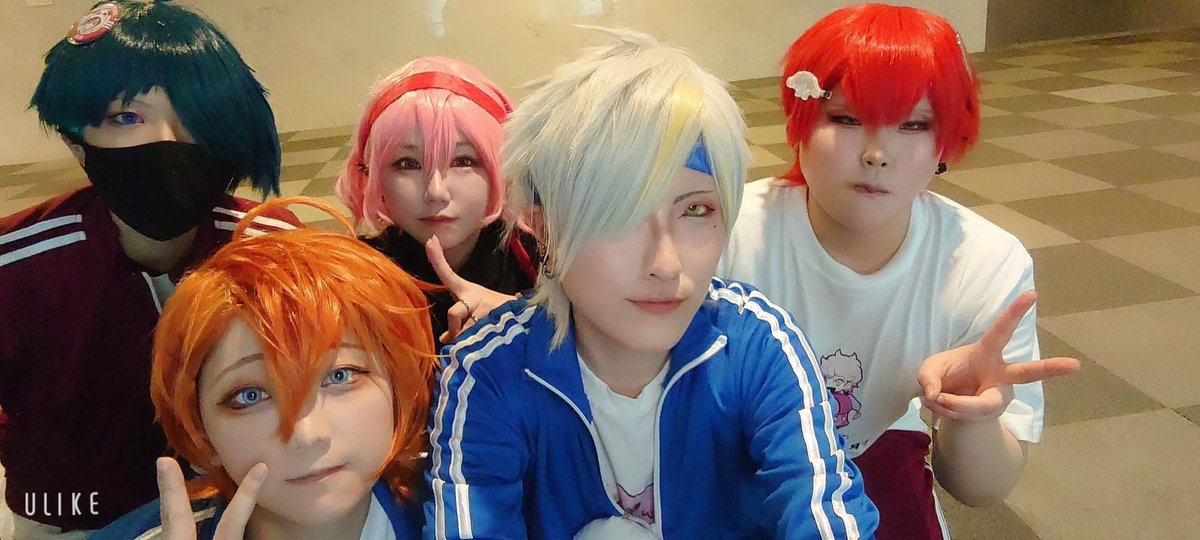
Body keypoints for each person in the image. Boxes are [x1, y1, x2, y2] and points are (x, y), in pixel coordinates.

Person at [426, 28, 878, 539]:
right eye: (620, 214)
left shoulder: (757, 346)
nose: (666, 264)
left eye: (696, 210)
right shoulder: (488, 373)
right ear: (544, 227)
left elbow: (823, 509)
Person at [718, 4, 1081, 538]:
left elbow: (981, 489)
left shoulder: (982, 264)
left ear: (945, 143)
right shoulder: (724, 232)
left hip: (872, 450)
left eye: (913, 125)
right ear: (800, 124)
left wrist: (971, 415)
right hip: (722, 452)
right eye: (845, 119)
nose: (877, 153)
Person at [0, 1, 296, 535]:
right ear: (76, 141)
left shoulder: (274, 245)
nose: (167, 141)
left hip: (244, 510)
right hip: (76, 523)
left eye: (194, 115)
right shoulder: (18, 265)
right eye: (126, 117)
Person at [93, 197, 435, 539]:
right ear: (199, 428)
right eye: (250, 395)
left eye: (339, 376)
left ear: (398, 382)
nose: (306, 435)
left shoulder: (462, 510)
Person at [336, 57, 537, 344]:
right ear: (372, 174)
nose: (436, 192)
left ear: (502, 169)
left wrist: (528, 316)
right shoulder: (348, 278)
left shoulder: (548, 262)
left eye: (463, 161)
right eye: (408, 164)